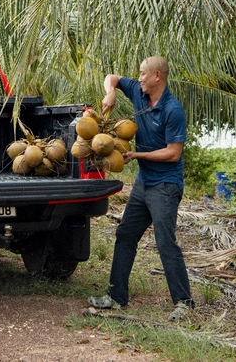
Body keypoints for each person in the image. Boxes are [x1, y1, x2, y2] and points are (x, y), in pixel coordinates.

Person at [87, 56, 194, 321]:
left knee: (165, 241)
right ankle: (116, 298)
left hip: (165, 185)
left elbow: (173, 153)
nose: (139, 78)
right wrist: (110, 92)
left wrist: (136, 155)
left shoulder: (173, 110)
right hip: (144, 183)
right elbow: (112, 76)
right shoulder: (138, 91)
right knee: (125, 234)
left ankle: (184, 303)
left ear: (158, 76)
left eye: (143, 73)